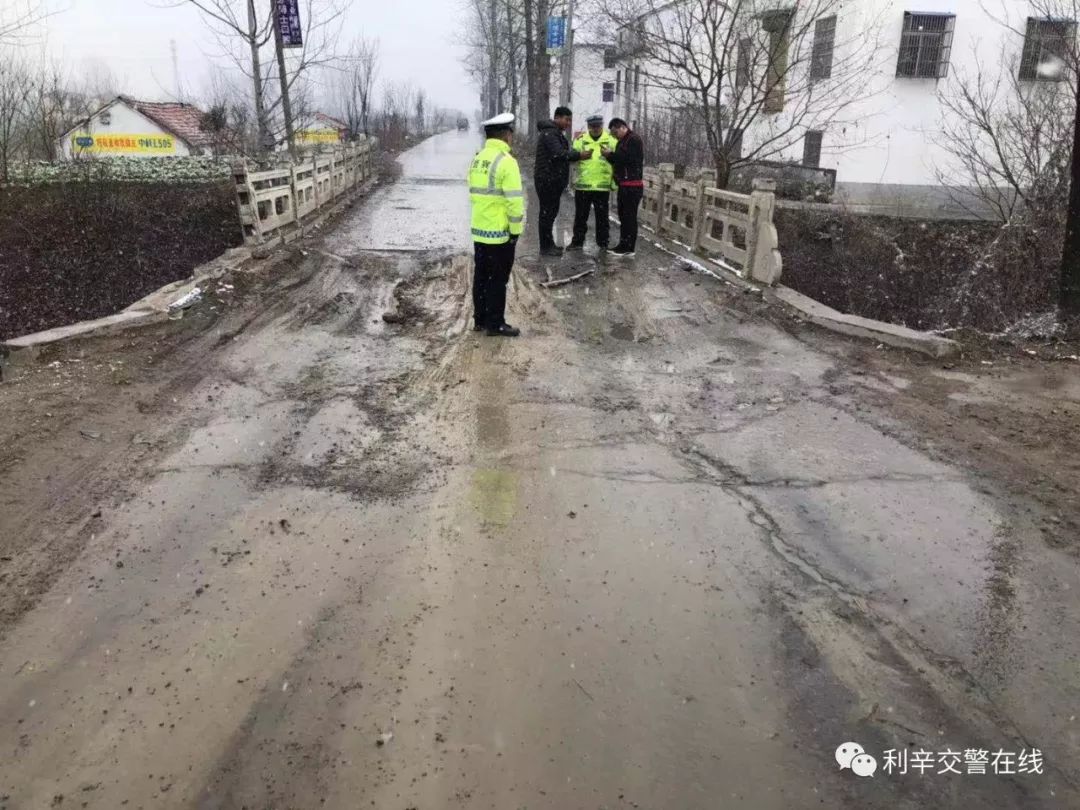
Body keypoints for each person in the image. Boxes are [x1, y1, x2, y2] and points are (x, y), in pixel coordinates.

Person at [468, 112, 524, 337]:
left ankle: (480, 319)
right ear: (505, 135)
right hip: (499, 233)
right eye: (511, 133)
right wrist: (515, 231)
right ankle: (496, 323)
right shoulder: (507, 162)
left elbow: (474, 192)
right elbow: (514, 202)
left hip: (480, 230)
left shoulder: (478, 158)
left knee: (481, 276)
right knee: (498, 280)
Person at [533, 107, 582, 257]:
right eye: (566, 120)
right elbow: (558, 154)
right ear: (557, 118)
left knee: (550, 213)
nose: (568, 123)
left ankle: (549, 244)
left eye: (569, 120)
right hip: (547, 180)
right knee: (547, 214)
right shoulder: (550, 133)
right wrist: (578, 155)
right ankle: (546, 247)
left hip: (552, 180)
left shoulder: (554, 133)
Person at [568, 114, 618, 251]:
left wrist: (614, 181)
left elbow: (618, 160)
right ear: (589, 126)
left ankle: (603, 243)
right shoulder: (580, 140)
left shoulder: (611, 140)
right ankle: (577, 242)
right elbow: (572, 157)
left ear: (602, 125)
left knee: (602, 218)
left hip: (602, 187)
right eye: (592, 126)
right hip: (583, 185)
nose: (595, 128)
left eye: (598, 126)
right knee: (580, 217)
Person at [602, 118, 645, 258]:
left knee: (629, 217)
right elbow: (618, 161)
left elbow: (628, 159)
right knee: (623, 217)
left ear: (621, 127)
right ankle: (623, 244)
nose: (614, 136)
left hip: (633, 185)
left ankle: (629, 247)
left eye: (615, 133)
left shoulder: (633, 139)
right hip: (624, 184)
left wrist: (611, 154)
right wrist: (608, 157)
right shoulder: (622, 141)